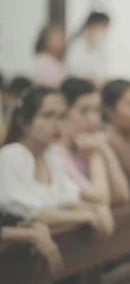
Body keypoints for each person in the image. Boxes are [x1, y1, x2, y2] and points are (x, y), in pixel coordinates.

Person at [0, 87, 114, 237]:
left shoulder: (51, 154)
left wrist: (97, 208)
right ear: (24, 122)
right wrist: (85, 215)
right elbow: (29, 213)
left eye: (62, 116)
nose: (57, 124)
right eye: (48, 115)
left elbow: (67, 200)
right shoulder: (12, 154)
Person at [52, 77, 130, 206]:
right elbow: (101, 198)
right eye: (84, 111)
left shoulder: (90, 144)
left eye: (96, 110)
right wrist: (95, 152)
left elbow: (123, 196)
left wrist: (105, 150)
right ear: (63, 114)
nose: (93, 119)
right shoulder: (56, 154)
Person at [66, 11, 110, 84]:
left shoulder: (98, 47)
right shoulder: (77, 43)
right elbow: (72, 67)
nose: (104, 31)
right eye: (102, 27)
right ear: (92, 25)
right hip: (80, 84)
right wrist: (88, 78)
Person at [31, 24, 68, 88]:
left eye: (62, 38)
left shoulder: (57, 61)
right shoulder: (42, 61)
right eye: (57, 39)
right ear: (46, 41)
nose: (62, 42)